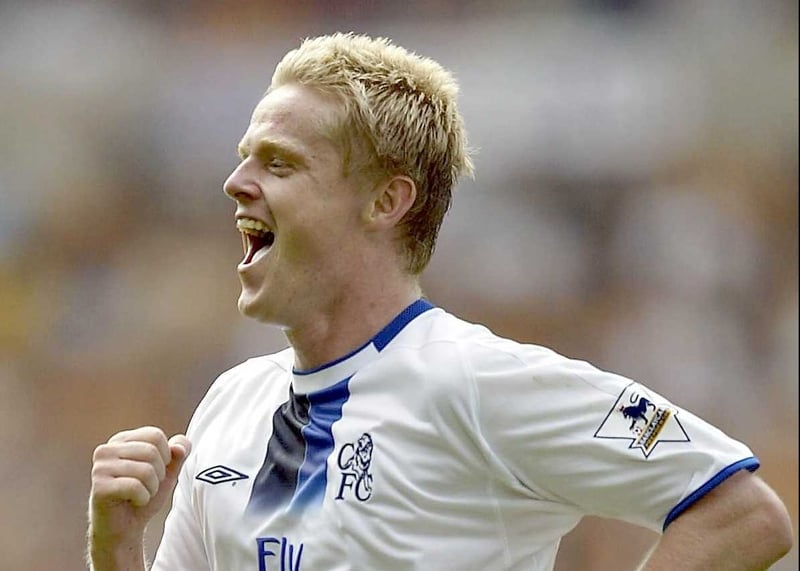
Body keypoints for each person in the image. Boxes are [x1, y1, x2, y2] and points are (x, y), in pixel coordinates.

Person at [87, 33, 793, 571]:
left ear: (386, 200)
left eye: (279, 162)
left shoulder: (482, 381)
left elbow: (740, 511)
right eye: (245, 156)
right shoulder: (230, 402)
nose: (235, 182)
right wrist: (115, 542)